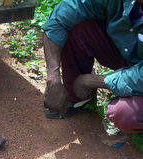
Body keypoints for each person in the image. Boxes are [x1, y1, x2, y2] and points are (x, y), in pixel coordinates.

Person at [42, 0, 143, 133]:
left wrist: (92, 81)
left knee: (125, 114)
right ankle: (80, 99)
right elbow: (61, 16)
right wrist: (53, 77)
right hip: (128, 53)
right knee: (77, 25)